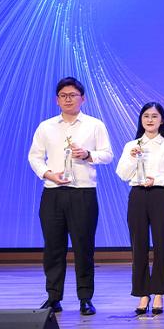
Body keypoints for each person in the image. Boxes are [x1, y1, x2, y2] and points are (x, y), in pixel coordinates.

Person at [28, 77, 113, 316]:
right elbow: (34, 156)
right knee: (53, 248)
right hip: (52, 193)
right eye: (63, 95)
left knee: (83, 247)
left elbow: (107, 155)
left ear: (82, 98)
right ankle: (53, 297)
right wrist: (49, 174)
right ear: (57, 100)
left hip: (83, 193)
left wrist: (88, 154)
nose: (68, 99)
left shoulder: (94, 125)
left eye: (73, 95)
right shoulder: (46, 126)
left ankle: (85, 298)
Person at [116, 102, 164, 315]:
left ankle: (159, 293)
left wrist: (158, 180)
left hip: (159, 195)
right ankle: (142, 293)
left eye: (154, 116)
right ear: (141, 119)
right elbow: (122, 174)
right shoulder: (132, 145)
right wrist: (132, 158)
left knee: (161, 244)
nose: (150, 120)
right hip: (137, 195)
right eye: (146, 116)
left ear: (161, 120)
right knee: (139, 245)